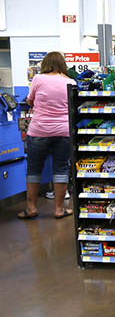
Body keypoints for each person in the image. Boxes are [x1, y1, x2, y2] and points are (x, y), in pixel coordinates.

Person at [18, 51, 77, 220]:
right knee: (61, 168)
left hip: (39, 131)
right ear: (62, 64)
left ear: (45, 64)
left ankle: (31, 208)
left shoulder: (38, 79)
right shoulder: (70, 81)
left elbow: (30, 100)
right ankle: (59, 209)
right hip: (63, 131)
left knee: (34, 168)